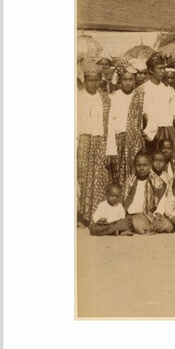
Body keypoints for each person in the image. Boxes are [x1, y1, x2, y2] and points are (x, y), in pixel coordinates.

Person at [77, 62, 112, 226]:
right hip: (82, 142)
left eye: (96, 80)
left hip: (100, 142)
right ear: (84, 80)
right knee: (82, 177)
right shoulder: (77, 97)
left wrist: (109, 150)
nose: (93, 83)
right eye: (90, 80)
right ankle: (81, 213)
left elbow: (109, 126)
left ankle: (94, 215)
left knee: (98, 177)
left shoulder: (105, 98)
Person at [105, 65, 145, 187]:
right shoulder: (112, 97)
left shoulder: (140, 96)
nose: (127, 83)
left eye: (130, 79)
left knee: (135, 170)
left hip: (135, 141)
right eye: (124, 79)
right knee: (117, 173)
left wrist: (144, 132)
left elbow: (150, 115)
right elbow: (109, 123)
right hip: (117, 141)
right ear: (120, 81)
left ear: (134, 80)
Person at [122, 151, 174, 234]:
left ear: (150, 166)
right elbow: (125, 201)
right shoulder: (129, 182)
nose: (142, 168)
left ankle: (150, 227)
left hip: (151, 214)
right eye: (139, 165)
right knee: (141, 226)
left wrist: (157, 217)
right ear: (134, 166)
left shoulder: (158, 182)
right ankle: (146, 228)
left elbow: (162, 201)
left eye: (145, 165)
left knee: (168, 226)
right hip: (135, 214)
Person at [140, 54, 175, 157]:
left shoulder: (168, 89)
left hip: (167, 129)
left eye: (164, 68)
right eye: (159, 68)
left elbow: (174, 109)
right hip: (150, 131)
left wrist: (173, 118)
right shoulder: (143, 89)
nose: (163, 71)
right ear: (151, 70)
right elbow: (143, 112)